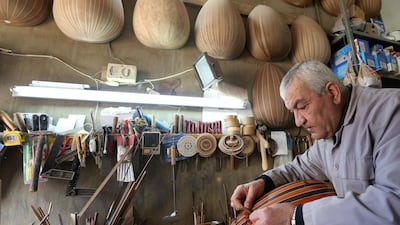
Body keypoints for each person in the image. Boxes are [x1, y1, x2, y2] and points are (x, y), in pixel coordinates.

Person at [230, 60, 400, 225]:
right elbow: (298, 168)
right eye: (293, 112)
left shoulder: (391, 112)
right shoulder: (328, 135)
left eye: (302, 107)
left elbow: (394, 201)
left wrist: (296, 217)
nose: (298, 122)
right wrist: (263, 182)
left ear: (333, 93)